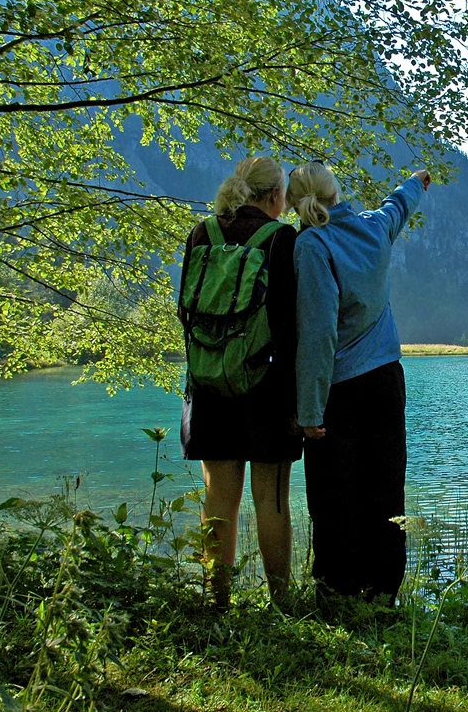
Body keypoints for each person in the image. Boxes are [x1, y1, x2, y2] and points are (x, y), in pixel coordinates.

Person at [289, 162, 431, 607]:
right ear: (336, 192)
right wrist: (417, 181)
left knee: (335, 494)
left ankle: (338, 592)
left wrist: (309, 411)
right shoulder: (373, 228)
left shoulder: (312, 244)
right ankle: (383, 592)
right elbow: (398, 206)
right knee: (386, 487)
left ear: (296, 203)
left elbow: (318, 332)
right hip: (387, 380)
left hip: (340, 390)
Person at [178, 156, 302, 608]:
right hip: (265, 385)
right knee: (270, 499)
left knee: (219, 498)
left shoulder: (202, 233)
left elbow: (185, 311)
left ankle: (216, 598)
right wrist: (298, 401)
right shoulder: (280, 238)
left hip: (209, 382)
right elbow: (290, 327)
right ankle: (282, 603)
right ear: (274, 197)